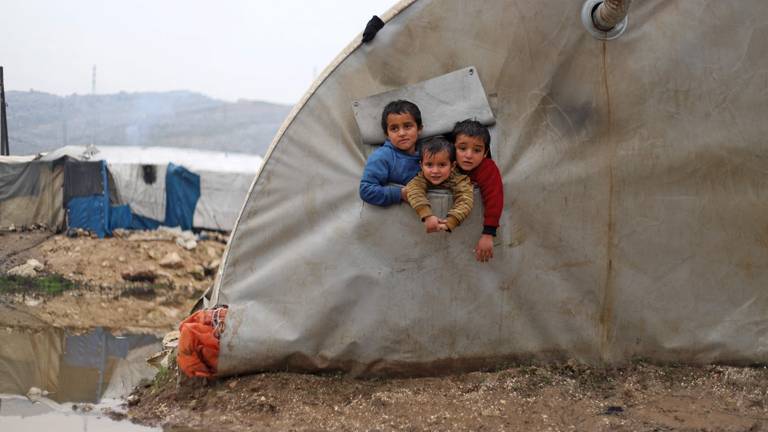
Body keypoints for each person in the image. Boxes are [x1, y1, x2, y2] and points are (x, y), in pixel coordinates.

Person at [452, 119, 503, 262]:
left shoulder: (487, 168)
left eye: (477, 150)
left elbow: (494, 197)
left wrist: (488, 233)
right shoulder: (445, 162)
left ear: (485, 152)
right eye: (462, 148)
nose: (468, 155)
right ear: (453, 148)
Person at [359, 100, 423, 206]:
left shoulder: (427, 153)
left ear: (419, 129)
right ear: (387, 134)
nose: (401, 133)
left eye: (407, 126)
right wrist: (400, 194)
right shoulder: (382, 157)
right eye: (394, 129)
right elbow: (366, 190)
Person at [405, 135, 473, 233]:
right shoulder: (421, 178)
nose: (435, 171)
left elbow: (465, 199)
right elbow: (414, 191)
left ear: (453, 166)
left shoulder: (458, 180)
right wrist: (427, 215)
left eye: (442, 165)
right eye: (429, 165)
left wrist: (450, 221)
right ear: (421, 165)